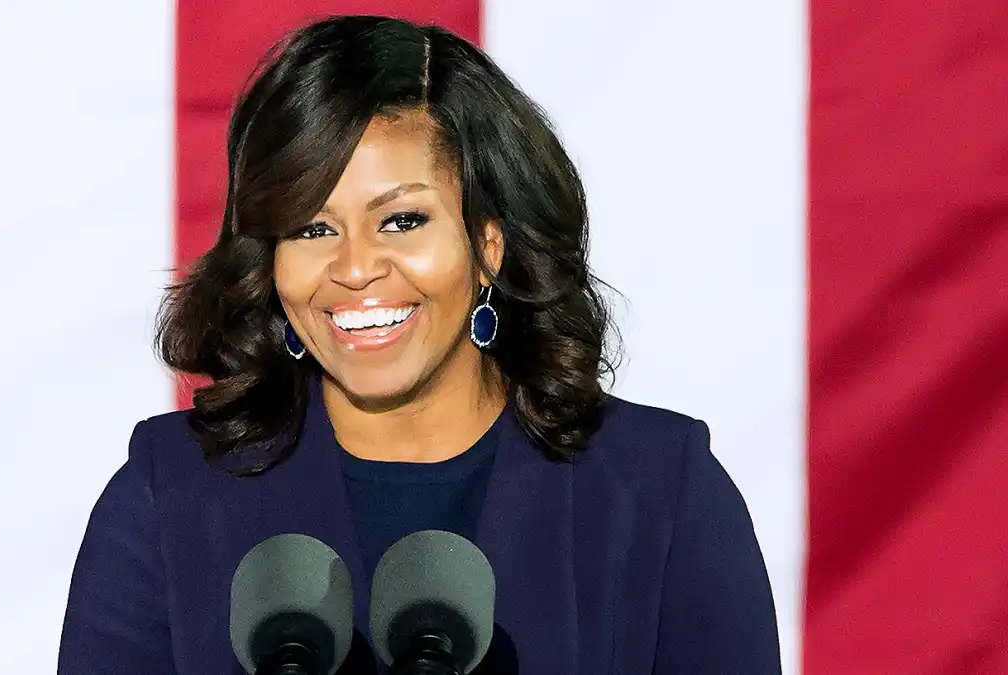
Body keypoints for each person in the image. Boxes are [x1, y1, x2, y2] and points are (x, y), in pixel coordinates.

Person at [57, 14, 780, 675]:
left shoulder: (658, 494)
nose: (355, 267)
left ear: (488, 243)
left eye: (401, 221)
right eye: (312, 228)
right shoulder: (169, 497)